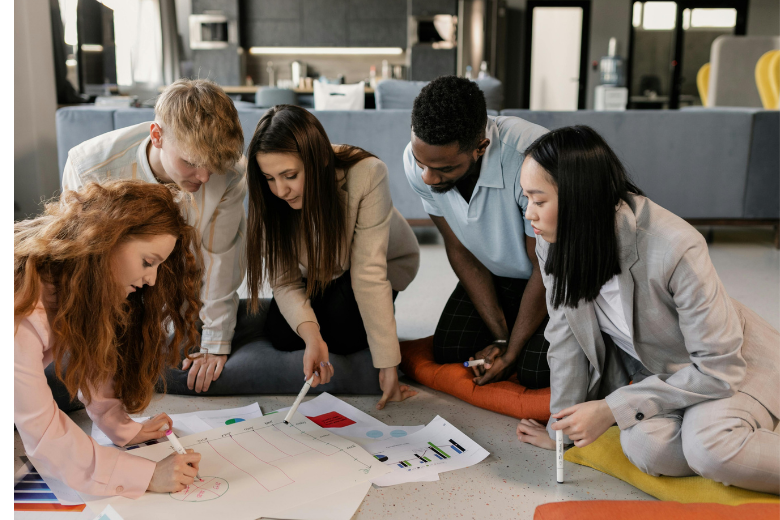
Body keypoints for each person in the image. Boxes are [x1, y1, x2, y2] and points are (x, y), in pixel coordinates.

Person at [515, 126, 780, 494]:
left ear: (580, 199)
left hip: (733, 370)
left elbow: (720, 368)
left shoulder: (674, 246)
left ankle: (743, 427)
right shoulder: (555, 242)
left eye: (539, 201)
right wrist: (563, 435)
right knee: (646, 447)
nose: (529, 213)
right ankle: (741, 438)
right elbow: (566, 341)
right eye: (526, 198)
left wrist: (611, 409)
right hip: (669, 376)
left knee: (710, 449)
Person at [14, 181, 205, 497]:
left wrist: (124, 429)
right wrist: (146, 475)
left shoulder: (75, 275)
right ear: (107, 240)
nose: (152, 280)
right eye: (148, 261)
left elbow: (92, 358)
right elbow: (44, 434)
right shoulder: (20, 303)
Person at [61, 79, 246, 394]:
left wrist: (216, 340)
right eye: (190, 162)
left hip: (186, 284)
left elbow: (220, 257)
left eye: (212, 167)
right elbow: (82, 267)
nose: (203, 177)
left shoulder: (228, 171)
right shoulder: (90, 166)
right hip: (114, 288)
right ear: (157, 136)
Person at [245, 105, 420, 410]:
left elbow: (369, 273)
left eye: (290, 175)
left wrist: (389, 363)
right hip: (321, 270)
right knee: (284, 335)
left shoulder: (368, 174)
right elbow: (284, 281)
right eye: (270, 178)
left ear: (319, 160)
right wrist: (312, 336)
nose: (281, 190)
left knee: (343, 332)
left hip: (379, 265)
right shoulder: (271, 194)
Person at [403, 75, 551, 388]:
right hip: (500, 272)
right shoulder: (420, 161)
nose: (428, 178)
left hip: (556, 275)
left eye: (444, 170)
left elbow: (544, 266)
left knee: (534, 371)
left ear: (480, 147)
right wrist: (499, 335)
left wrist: (510, 352)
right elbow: (457, 246)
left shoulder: (530, 160)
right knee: (449, 350)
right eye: (422, 164)